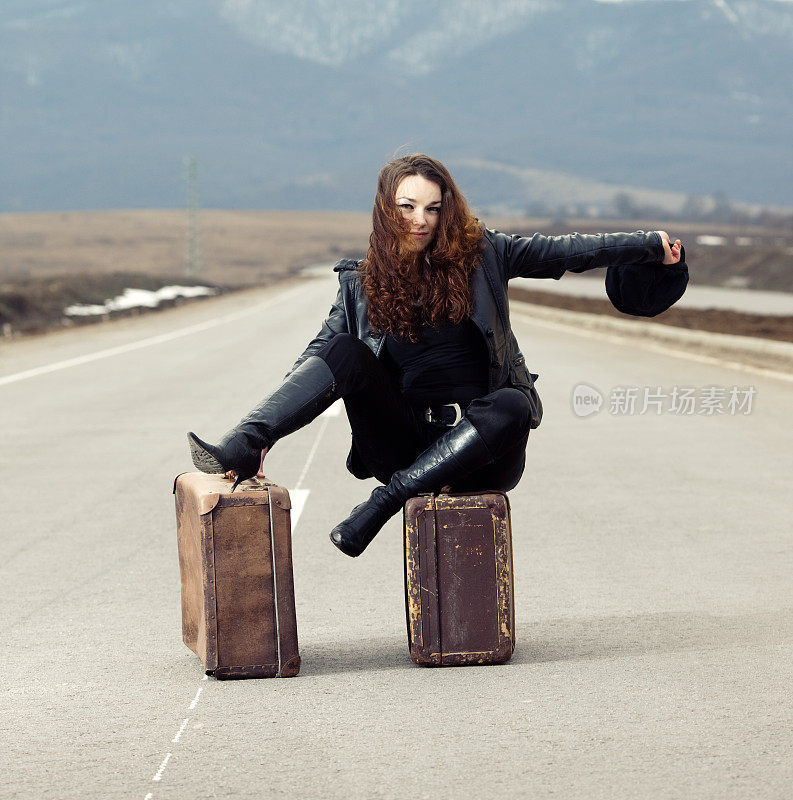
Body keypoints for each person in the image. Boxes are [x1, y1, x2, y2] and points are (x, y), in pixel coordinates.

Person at [188, 153, 682, 558]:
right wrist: (272, 428)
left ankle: (385, 502)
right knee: (343, 349)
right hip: (402, 442)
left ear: (449, 209)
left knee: (513, 403)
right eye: (406, 206)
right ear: (385, 208)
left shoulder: (487, 253)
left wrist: (648, 245)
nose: (420, 221)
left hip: (482, 452)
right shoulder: (361, 283)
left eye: (433, 207)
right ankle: (245, 442)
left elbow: (569, 252)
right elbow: (318, 361)